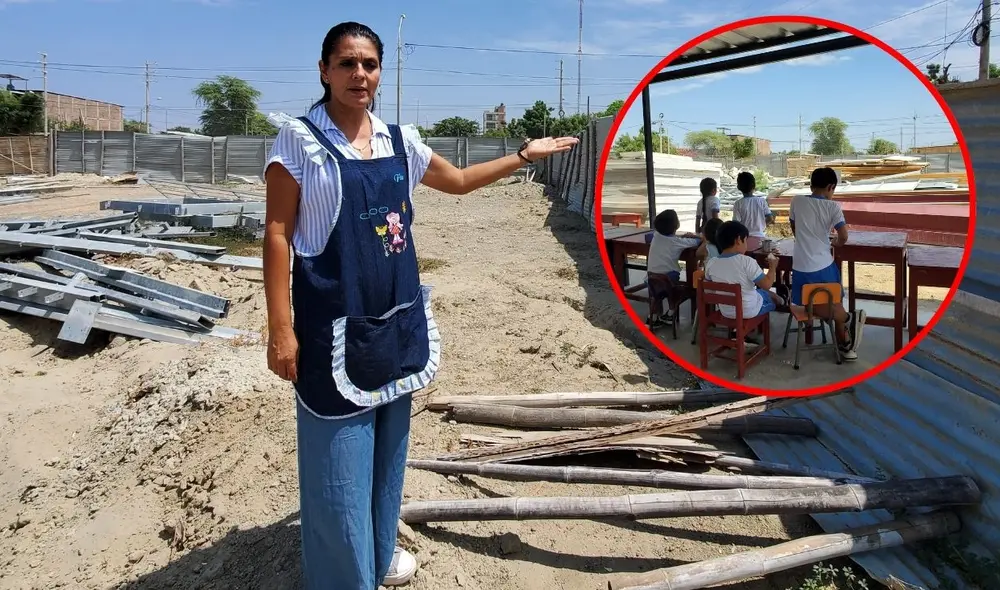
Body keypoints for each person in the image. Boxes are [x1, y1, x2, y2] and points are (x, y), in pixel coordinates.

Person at [261, 22, 577, 590]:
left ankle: (379, 557)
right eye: (347, 63)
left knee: (387, 456)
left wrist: (522, 156)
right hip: (331, 321)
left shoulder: (398, 140)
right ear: (324, 70)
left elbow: (456, 180)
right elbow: (278, 234)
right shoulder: (299, 141)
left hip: (395, 319)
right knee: (338, 461)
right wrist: (280, 328)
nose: (360, 75)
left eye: (370, 64)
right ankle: (341, 579)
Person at [789, 166, 865, 360]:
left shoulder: (796, 201)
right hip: (822, 264)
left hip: (800, 265)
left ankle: (847, 338)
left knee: (809, 304)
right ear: (831, 186)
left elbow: (795, 229)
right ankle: (848, 335)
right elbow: (844, 236)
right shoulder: (833, 207)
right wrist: (835, 243)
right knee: (833, 301)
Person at [704, 220, 785, 321]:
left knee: (759, 293)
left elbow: (708, 288)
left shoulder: (711, 263)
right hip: (748, 311)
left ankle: (777, 298)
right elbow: (767, 285)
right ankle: (780, 301)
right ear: (738, 240)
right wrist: (772, 267)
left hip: (726, 311)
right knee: (768, 298)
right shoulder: (747, 261)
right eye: (745, 240)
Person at [645, 209, 701, 326]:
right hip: (668, 279)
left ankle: (653, 316)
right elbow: (696, 242)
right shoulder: (676, 242)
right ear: (676, 225)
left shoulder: (656, 236)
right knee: (672, 287)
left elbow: (649, 237)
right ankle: (670, 313)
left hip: (650, 279)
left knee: (656, 293)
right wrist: (692, 237)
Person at [731, 171, 774, 238]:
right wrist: (761, 225)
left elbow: (735, 224)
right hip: (760, 237)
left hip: (744, 239)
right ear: (754, 186)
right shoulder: (761, 201)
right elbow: (770, 218)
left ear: (738, 187)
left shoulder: (738, 204)